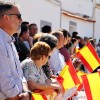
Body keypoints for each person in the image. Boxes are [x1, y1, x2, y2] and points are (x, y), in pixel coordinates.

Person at [0, 1, 30, 100]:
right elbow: (4, 80)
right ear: (6, 17)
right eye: (18, 16)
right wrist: (21, 97)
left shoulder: (10, 41)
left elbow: (19, 74)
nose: (21, 20)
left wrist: (26, 92)